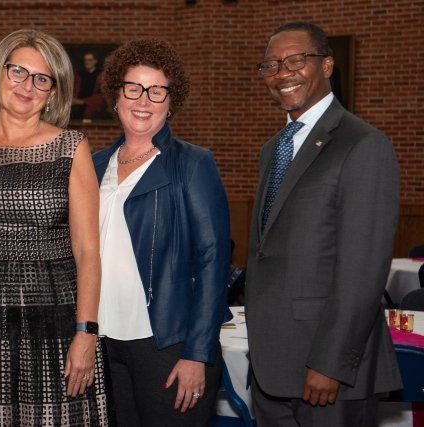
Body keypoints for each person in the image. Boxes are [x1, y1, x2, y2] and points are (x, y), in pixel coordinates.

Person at [245, 21, 401, 426]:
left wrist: (331, 364)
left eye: (297, 60)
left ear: (327, 65)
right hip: (271, 370)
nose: (283, 73)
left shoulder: (363, 145)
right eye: (272, 65)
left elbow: (364, 270)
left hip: (327, 374)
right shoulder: (273, 149)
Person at [0, 29, 108, 426]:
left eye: (41, 78)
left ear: (53, 92)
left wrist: (86, 333)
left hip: (56, 324)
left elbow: (88, 250)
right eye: (18, 71)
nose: (27, 85)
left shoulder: (70, 147)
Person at [93, 39, 232, 426]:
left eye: (157, 91)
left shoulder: (192, 164)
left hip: (168, 344)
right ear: (116, 96)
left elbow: (213, 260)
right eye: (133, 88)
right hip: (104, 343)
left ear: (171, 101)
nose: (143, 100)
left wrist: (197, 353)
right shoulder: (93, 164)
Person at [71, 52, 107, 120]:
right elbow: (74, 90)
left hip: (92, 106)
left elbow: (101, 95)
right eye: (86, 60)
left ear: (95, 61)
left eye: (90, 60)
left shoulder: (100, 75)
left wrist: (83, 102)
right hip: (76, 106)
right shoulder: (79, 75)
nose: (87, 62)